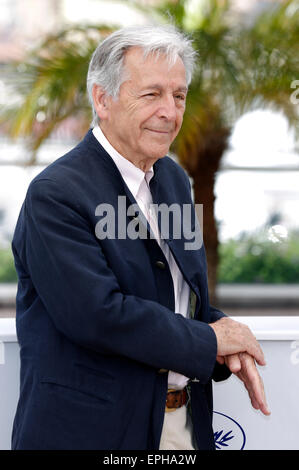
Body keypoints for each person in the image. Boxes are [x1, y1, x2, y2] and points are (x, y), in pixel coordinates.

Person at [11, 25, 270, 451]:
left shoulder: (173, 179)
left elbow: (178, 299)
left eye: (179, 95)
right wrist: (212, 340)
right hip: (92, 433)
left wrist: (222, 332)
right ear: (102, 99)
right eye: (151, 94)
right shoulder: (55, 195)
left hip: (183, 425)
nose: (170, 111)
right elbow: (98, 315)